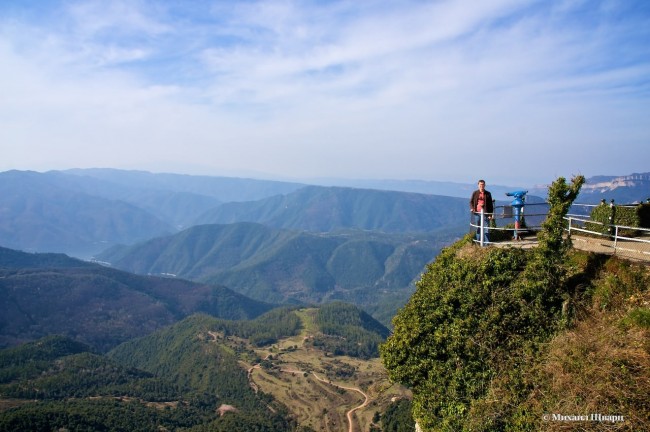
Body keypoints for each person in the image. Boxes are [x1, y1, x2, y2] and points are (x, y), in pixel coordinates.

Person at [470, 179, 494, 244]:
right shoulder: (475, 193)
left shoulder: (488, 194)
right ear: (478, 185)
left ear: (485, 185)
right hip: (477, 213)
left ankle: (487, 244)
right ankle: (478, 242)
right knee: (478, 228)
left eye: (483, 184)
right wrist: (472, 208)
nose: (482, 186)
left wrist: (490, 215)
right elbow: (471, 202)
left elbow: (490, 205)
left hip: (486, 213)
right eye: (480, 184)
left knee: (486, 228)